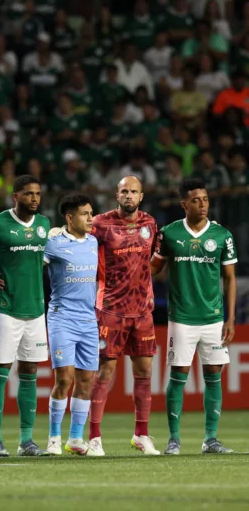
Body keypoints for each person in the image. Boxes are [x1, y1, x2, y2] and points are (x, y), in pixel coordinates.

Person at [152, 178, 238, 455]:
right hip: (181, 318)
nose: (202, 205)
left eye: (205, 199)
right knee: (178, 375)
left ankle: (210, 439)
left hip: (213, 318)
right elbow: (153, 268)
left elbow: (230, 279)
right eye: (196, 200)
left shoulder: (222, 235)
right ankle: (174, 439)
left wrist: (231, 318)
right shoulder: (169, 233)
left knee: (214, 374)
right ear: (183, 204)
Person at [87, 176, 160, 456]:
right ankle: (95, 438)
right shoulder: (100, 224)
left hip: (142, 312)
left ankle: (141, 434)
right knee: (104, 372)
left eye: (134, 192)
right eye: (124, 191)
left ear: (141, 196)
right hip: (110, 311)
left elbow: (154, 262)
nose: (129, 195)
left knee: (144, 373)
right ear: (116, 194)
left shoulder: (150, 224)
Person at [0, 175, 50, 457]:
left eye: (37, 193)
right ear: (15, 197)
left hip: (35, 309)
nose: (34, 198)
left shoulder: (45, 225)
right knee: (0, 372)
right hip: (6, 309)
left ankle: (26, 441)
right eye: (28, 194)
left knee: (30, 373)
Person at [42, 194, 99, 456]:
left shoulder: (93, 242)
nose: (90, 218)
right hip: (61, 316)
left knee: (86, 381)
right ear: (69, 218)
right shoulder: (52, 244)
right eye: (85, 214)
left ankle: (75, 438)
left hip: (88, 320)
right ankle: (54, 437)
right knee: (64, 378)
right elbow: (29, 265)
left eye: (91, 213)